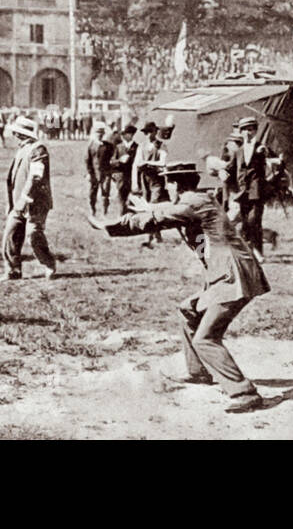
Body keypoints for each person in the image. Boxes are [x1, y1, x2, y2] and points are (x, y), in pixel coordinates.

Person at [88, 161, 268, 413]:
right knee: (188, 311)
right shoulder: (195, 200)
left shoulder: (193, 203)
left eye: (168, 183)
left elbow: (159, 218)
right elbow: (166, 210)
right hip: (225, 275)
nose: (166, 188)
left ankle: (244, 392)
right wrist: (149, 206)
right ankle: (198, 372)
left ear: (174, 184)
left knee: (206, 337)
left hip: (234, 277)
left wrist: (110, 225)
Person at [2, 116, 56, 280]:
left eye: (15, 132)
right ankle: (13, 270)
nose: (13, 135)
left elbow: (35, 177)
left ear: (20, 134)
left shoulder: (38, 150)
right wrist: (12, 202)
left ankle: (48, 264)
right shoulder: (23, 149)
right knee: (10, 234)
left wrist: (24, 198)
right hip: (18, 203)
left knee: (34, 235)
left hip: (36, 203)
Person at [222, 117, 272, 256]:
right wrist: (223, 172)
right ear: (240, 132)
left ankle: (257, 250)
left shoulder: (261, 148)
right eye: (244, 130)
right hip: (243, 192)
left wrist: (265, 153)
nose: (248, 133)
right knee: (245, 222)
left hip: (257, 192)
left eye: (251, 129)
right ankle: (249, 250)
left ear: (255, 131)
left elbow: (272, 159)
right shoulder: (239, 151)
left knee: (254, 220)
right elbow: (231, 168)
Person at [86, 123, 115, 216]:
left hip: (106, 173)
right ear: (95, 134)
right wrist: (90, 173)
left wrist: (112, 169)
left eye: (101, 133)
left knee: (105, 193)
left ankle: (104, 211)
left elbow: (113, 157)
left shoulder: (109, 146)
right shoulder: (91, 145)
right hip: (94, 173)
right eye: (98, 133)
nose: (100, 135)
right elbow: (87, 160)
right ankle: (92, 209)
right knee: (92, 193)